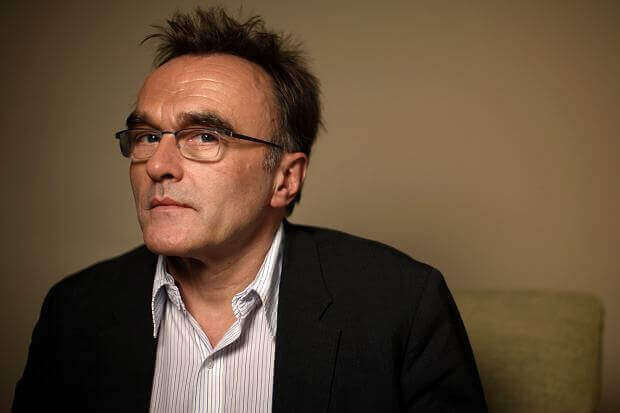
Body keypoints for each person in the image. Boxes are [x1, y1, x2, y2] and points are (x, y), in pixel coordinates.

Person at [13, 7, 486, 413]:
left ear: (285, 178)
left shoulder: (401, 305)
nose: (157, 164)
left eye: (205, 136)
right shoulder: (74, 310)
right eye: (148, 136)